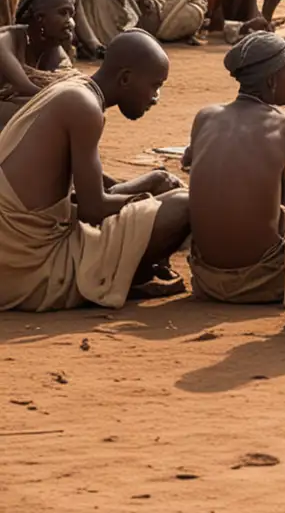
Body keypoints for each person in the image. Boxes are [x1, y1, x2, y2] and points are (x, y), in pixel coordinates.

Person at [0, 31, 190, 310]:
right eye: (154, 86)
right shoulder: (84, 108)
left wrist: (153, 185)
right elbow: (92, 208)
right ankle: (121, 277)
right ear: (125, 79)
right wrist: (149, 200)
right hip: (30, 268)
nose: (155, 97)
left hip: (15, 252)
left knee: (164, 185)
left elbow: (82, 196)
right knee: (185, 205)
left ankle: (128, 270)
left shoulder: (75, 88)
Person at [183, 33, 285, 304]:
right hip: (264, 280)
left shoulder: (205, 117)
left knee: (268, 181)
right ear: (272, 81)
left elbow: (188, 160)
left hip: (207, 279)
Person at [0, 0, 78, 129]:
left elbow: (57, 87)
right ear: (40, 17)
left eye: (71, 14)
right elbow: (28, 89)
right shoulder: (5, 42)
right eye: (63, 13)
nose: (70, 22)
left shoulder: (52, 48)